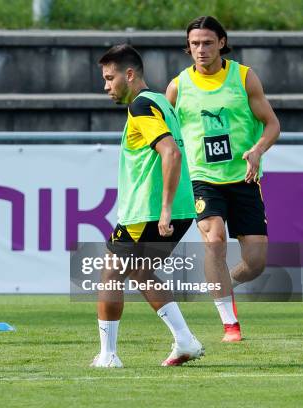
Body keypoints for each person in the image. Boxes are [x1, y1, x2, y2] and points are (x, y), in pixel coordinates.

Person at [166, 16, 280, 342]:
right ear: (188, 48)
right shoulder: (178, 86)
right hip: (202, 177)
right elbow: (163, 134)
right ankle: (230, 324)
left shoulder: (244, 78)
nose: (200, 49)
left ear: (221, 42)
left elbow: (272, 124)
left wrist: (257, 151)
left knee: (255, 263)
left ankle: (221, 284)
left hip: (244, 177)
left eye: (206, 42)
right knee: (213, 239)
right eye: (194, 44)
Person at [92, 44, 203, 368]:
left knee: (111, 274)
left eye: (110, 78)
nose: (106, 87)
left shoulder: (141, 106)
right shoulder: (158, 102)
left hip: (151, 211)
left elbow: (171, 152)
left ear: (130, 74)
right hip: (180, 208)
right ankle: (184, 340)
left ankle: (108, 356)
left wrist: (164, 208)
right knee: (140, 272)